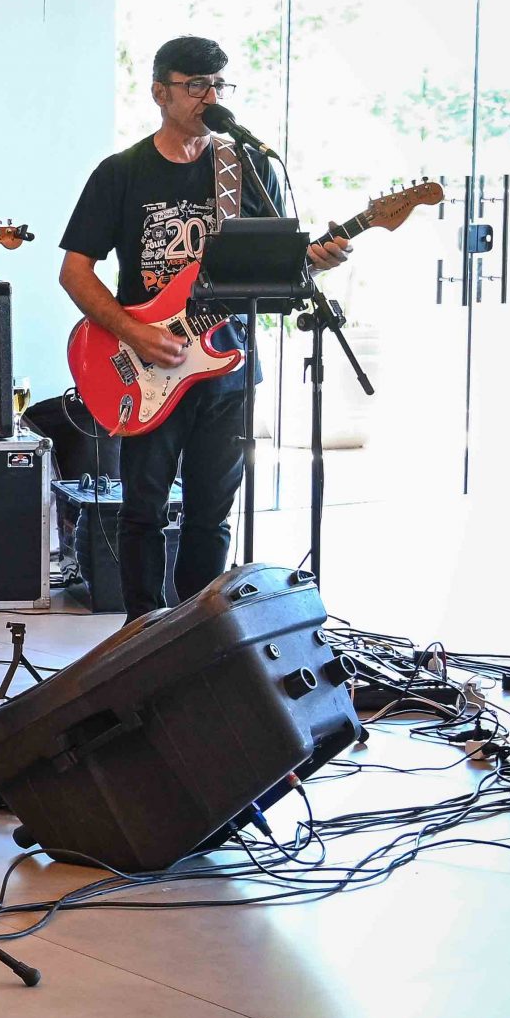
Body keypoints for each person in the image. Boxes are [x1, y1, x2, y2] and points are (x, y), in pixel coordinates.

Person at [59, 35, 346, 620]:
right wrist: (134, 332)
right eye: (195, 86)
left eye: (218, 85)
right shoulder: (121, 173)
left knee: (212, 514)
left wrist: (313, 262)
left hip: (227, 366)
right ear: (159, 93)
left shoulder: (248, 169)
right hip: (147, 365)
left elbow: (274, 273)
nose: (210, 98)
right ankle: (141, 630)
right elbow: (74, 272)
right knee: (143, 509)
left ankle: (196, 633)